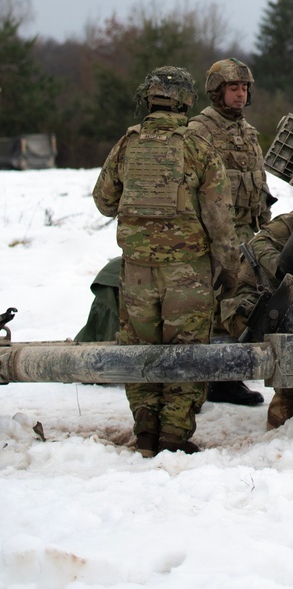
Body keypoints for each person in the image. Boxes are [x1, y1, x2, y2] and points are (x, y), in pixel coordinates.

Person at [92, 65, 238, 456]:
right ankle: (173, 438)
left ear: (149, 97)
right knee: (186, 353)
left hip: (137, 270)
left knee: (139, 350)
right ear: (187, 101)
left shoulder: (129, 144)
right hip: (187, 272)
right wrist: (229, 267)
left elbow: (104, 201)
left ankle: (145, 434)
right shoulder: (197, 146)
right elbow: (220, 219)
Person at [186, 57, 274, 406]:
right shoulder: (199, 131)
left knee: (239, 304)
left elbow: (258, 181)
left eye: (244, 88)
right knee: (215, 307)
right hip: (215, 235)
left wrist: (264, 222)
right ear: (216, 92)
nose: (240, 95)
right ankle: (213, 380)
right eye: (233, 88)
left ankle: (227, 377)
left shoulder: (246, 131)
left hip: (246, 231)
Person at [219, 205, 293, 430]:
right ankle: (282, 407)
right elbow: (258, 244)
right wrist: (289, 271)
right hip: (248, 306)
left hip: (284, 303)